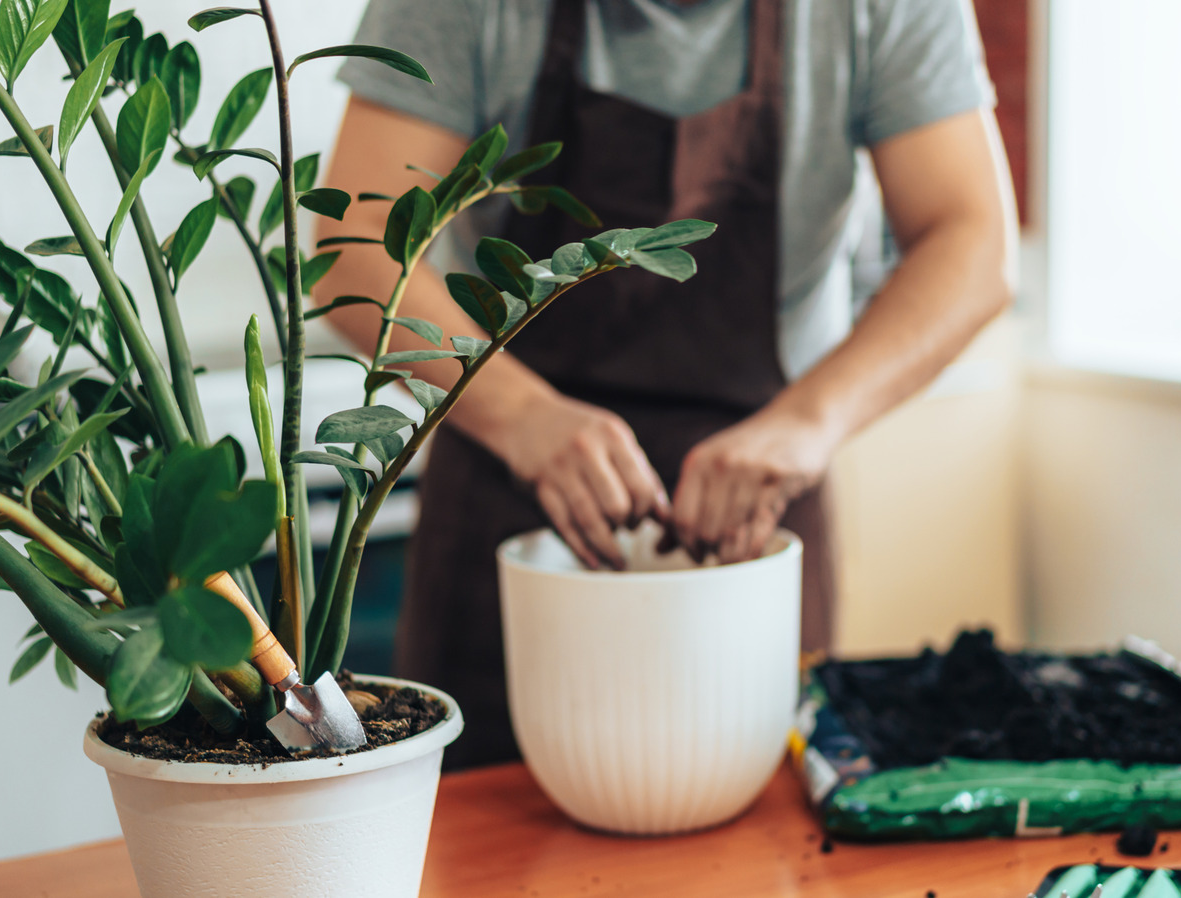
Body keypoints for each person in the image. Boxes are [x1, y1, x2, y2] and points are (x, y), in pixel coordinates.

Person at [316, 0, 1016, 768]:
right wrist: (522, 416)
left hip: (760, 508)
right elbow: (357, 244)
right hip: (504, 495)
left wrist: (809, 423)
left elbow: (972, 242)